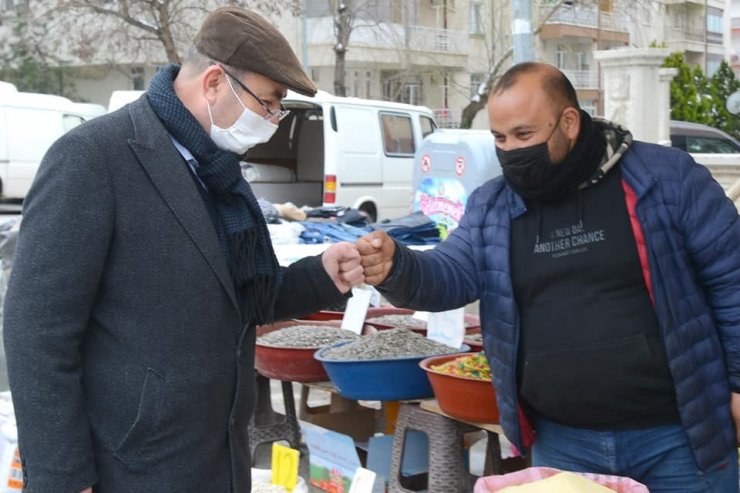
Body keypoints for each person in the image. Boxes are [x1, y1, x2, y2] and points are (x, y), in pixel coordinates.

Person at [4, 7, 364, 492]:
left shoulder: (217, 171)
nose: (274, 120)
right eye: (269, 103)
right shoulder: (93, 158)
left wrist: (322, 273)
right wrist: (64, 477)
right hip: (130, 464)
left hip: (215, 456)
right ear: (214, 83)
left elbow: (244, 296)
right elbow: (37, 329)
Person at [357, 62, 740, 492]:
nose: (512, 151)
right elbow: (451, 272)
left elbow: (732, 282)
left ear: (570, 122)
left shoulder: (666, 179)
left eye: (524, 135)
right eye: (499, 138)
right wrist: (397, 266)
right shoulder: (494, 207)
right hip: (563, 443)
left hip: (678, 438)